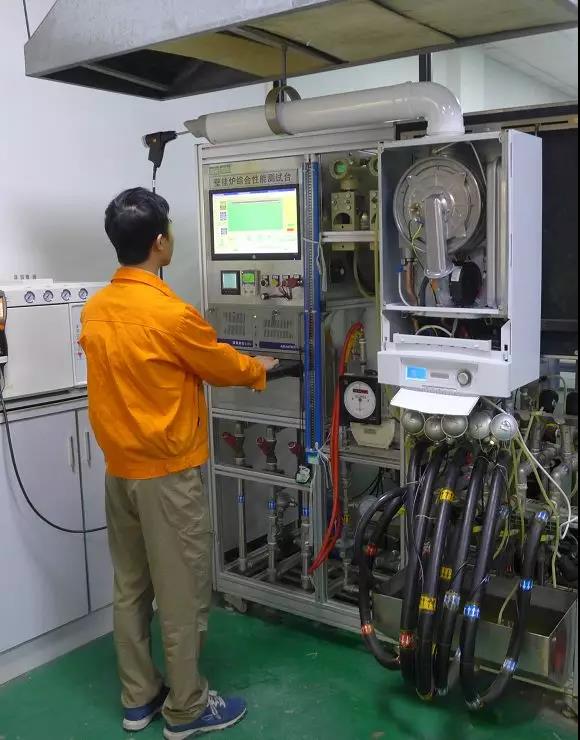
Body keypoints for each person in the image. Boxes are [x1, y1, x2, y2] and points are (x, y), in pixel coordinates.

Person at [80, 187, 278, 739]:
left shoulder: (96, 309)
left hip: (120, 473)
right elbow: (218, 364)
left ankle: (139, 698)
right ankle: (186, 709)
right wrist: (258, 367)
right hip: (167, 477)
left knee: (131, 587)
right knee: (183, 594)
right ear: (160, 243)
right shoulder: (171, 314)